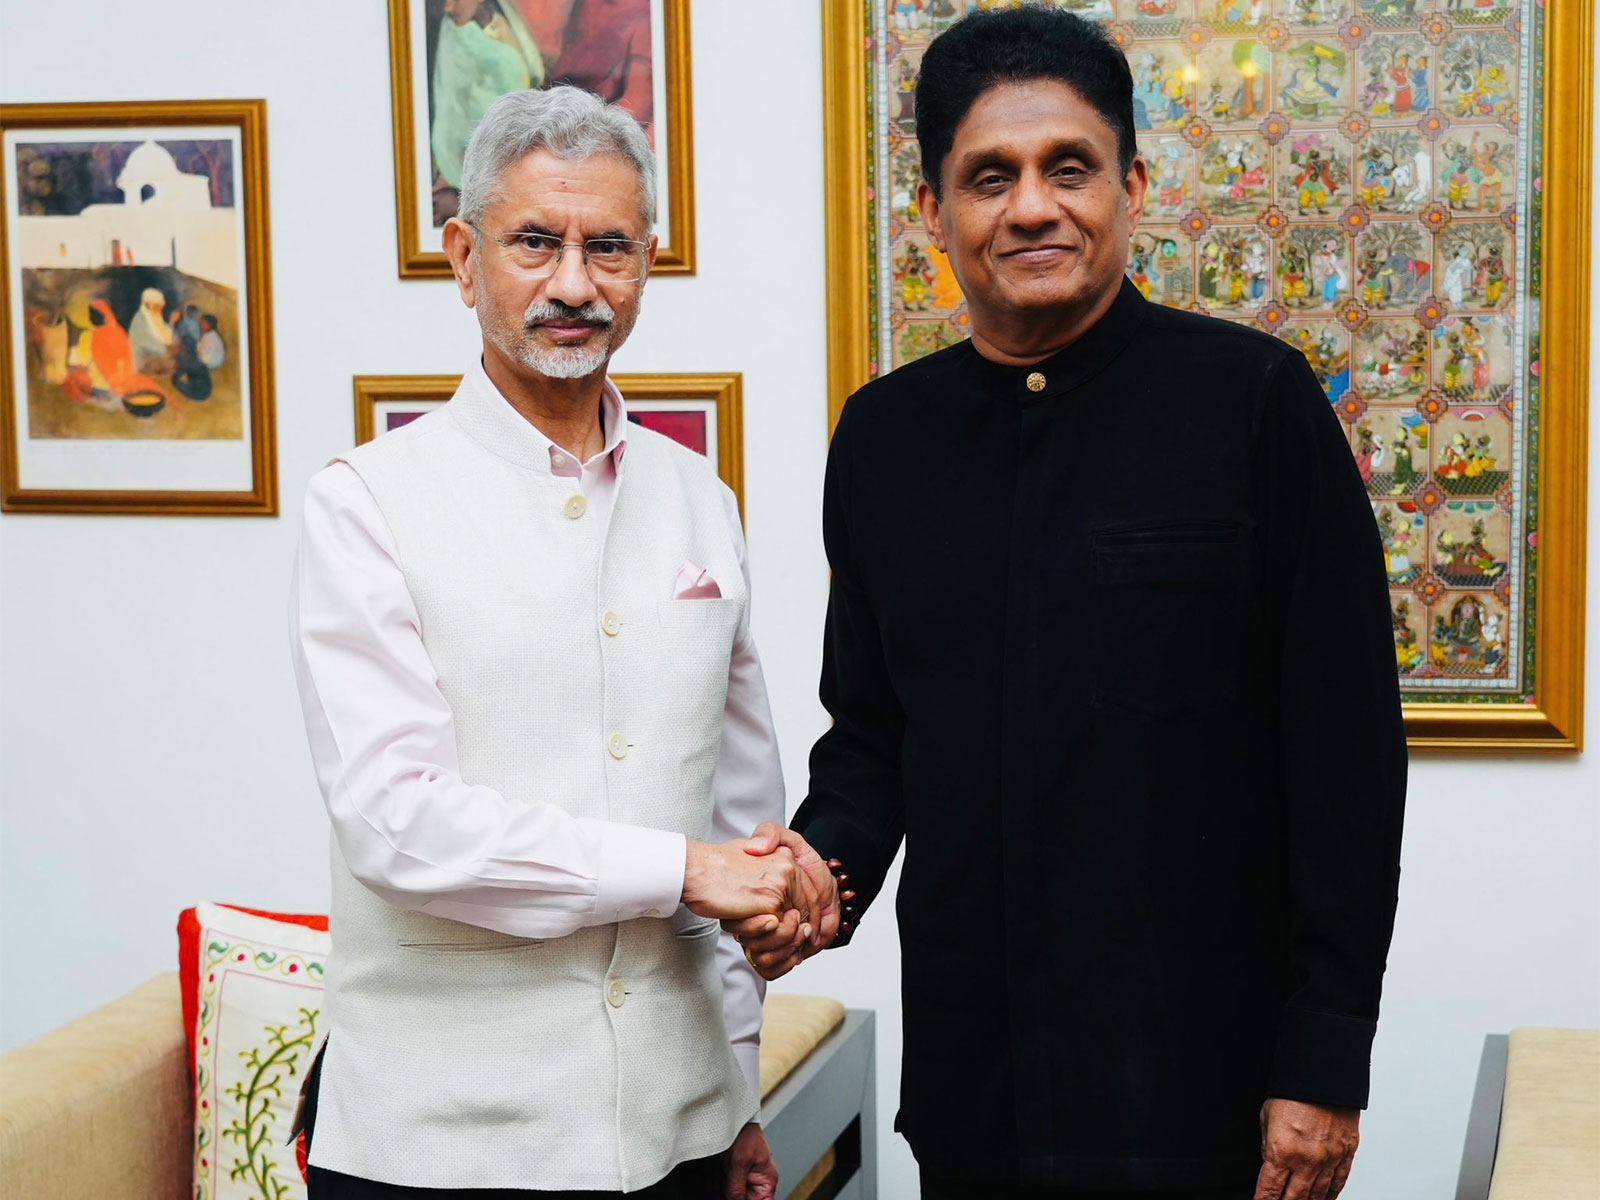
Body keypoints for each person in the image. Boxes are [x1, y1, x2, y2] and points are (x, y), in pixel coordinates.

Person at [729, 9, 1406, 1200]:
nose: (1031, 206)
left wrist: (1325, 1060)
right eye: (989, 177)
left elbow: (1347, 761)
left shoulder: (1253, 402)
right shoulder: (884, 438)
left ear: (1131, 185)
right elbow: (875, 735)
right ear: (934, 213)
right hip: (976, 1089)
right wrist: (818, 872)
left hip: (1212, 1093)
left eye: (1068, 168)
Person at [290, 86, 811, 1200]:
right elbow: (397, 820)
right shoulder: (367, 502)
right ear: (463, 257)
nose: (575, 284)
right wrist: (683, 872)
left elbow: (737, 814)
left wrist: (739, 1092)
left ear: (648, 264)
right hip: (435, 1144)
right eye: (537, 242)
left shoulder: (699, 498)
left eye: (608, 247)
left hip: (677, 1129)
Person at [127, 286, 174, 372]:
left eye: (160, 307)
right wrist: (166, 349)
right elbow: (147, 342)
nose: (159, 309)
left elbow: (164, 331)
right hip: (142, 360)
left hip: (155, 355)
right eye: (157, 306)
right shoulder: (140, 319)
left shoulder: (155, 316)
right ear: (148, 305)